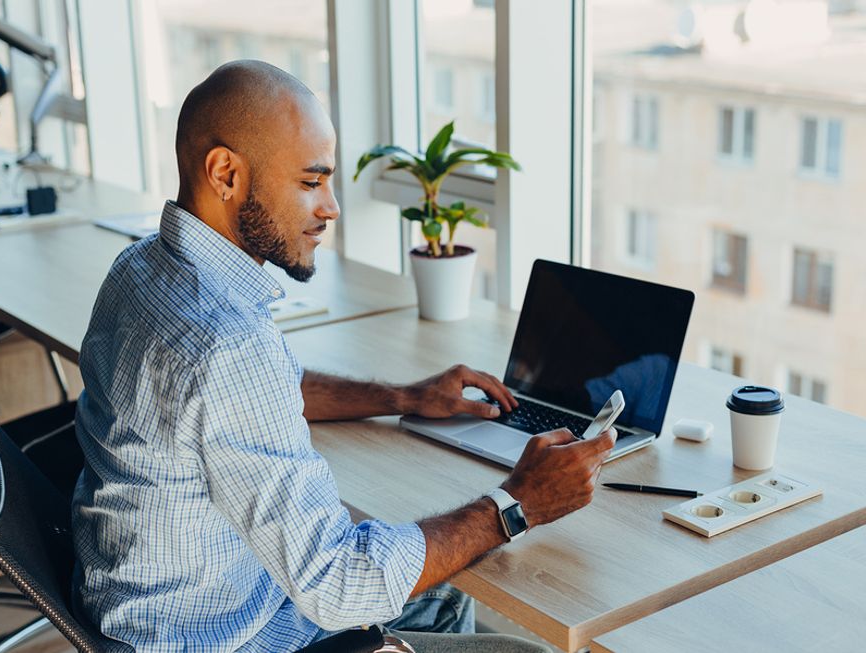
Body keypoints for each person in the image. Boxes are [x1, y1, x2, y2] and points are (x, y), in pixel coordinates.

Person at [71, 60, 615, 653]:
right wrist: (518, 504)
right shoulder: (225, 341)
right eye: (310, 183)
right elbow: (337, 584)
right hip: (222, 634)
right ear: (225, 174)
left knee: (442, 586)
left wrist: (402, 398)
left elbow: (251, 393)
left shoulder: (142, 269)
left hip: (145, 602)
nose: (331, 207)